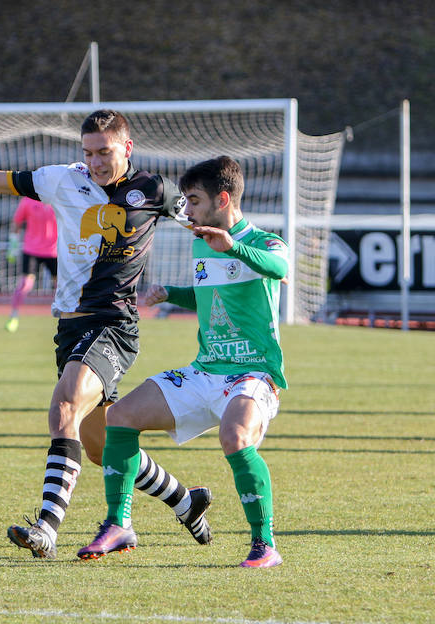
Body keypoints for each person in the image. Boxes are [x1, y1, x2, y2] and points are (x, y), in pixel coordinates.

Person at [0, 110, 194, 559]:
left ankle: (46, 529)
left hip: (114, 325)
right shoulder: (62, 179)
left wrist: (251, 252)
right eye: (88, 153)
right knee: (102, 446)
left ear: (127, 148)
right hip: (70, 327)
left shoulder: (154, 190)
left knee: (64, 407)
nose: (94, 162)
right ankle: (186, 501)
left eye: (104, 152)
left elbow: (204, 222)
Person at [76, 156, 287, 568]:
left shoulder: (265, 242)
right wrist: (171, 293)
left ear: (222, 200)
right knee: (120, 416)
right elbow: (211, 297)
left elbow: (279, 268)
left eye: (194, 200)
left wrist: (233, 247)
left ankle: (265, 545)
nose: (186, 210)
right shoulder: (201, 243)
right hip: (205, 370)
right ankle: (118, 525)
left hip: (252, 374)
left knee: (235, 437)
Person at [5, 196, 57, 333]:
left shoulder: (58, 198)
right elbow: (16, 222)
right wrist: (13, 245)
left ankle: (65, 318)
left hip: (54, 252)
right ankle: (13, 316)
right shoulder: (28, 200)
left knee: (61, 287)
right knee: (25, 285)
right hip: (32, 250)